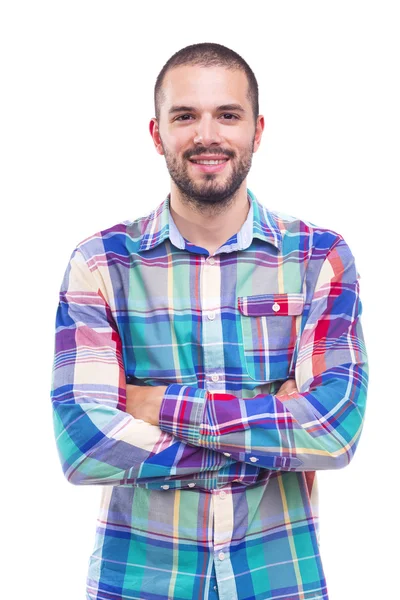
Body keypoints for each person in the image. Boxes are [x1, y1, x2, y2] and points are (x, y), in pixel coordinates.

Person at [50, 42, 368, 600]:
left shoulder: (320, 257)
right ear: (157, 134)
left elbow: (333, 431)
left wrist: (154, 405)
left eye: (227, 114)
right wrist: (270, 440)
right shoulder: (101, 264)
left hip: (279, 578)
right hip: (139, 582)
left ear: (257, 130)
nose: (207, 135)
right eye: (185, 116)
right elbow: (84, 445)